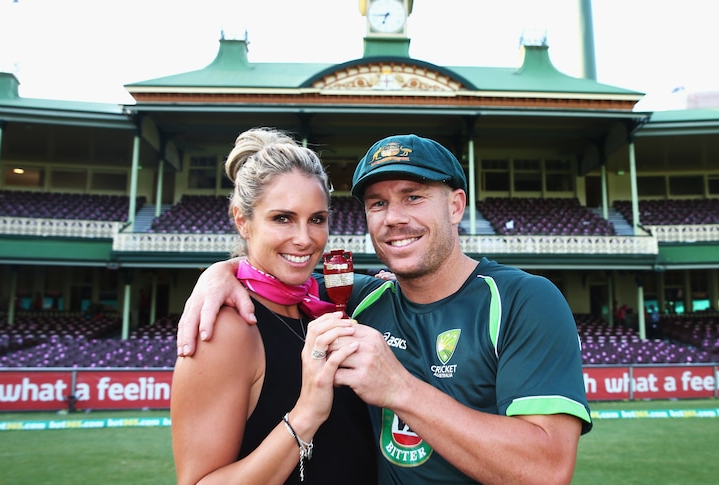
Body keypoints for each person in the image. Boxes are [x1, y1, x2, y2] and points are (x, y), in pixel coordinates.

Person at [178, 134, 592, 484]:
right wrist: (221, 272)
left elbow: (548, 470)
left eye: (413, 197)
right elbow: (277, 276)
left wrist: (399, 388)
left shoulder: (525, 300)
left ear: (455, 205)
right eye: (377, 203)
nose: (393, 218)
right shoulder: (354, 302)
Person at [171, 127, 377, 484]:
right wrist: (306, 414)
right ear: (242, 221)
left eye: (317, 219)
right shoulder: (226, 330)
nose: (304, 239)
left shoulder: (326, 305)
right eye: (282, 218)